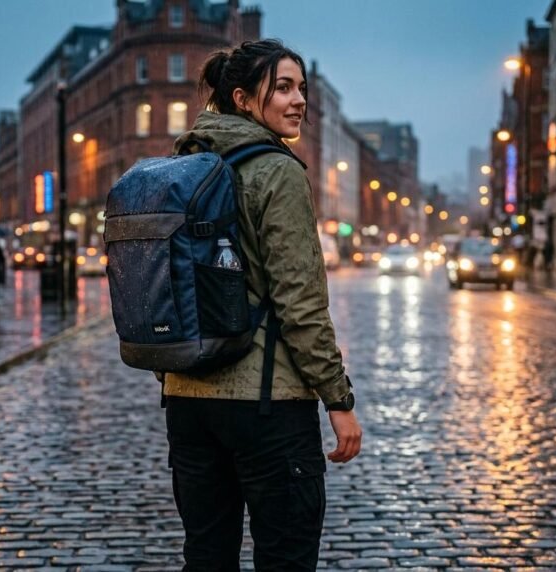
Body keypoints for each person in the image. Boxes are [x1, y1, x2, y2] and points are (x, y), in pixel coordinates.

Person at [163, 39, 361, 570]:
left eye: (302, 88)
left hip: (186, 400)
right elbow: (300, 303)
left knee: (206, 556)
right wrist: (338, 401)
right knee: (286, 558)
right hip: (267, 405)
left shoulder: (183, 163)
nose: (300, 101)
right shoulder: (277, 170)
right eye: (283, 88)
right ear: (244, 99)